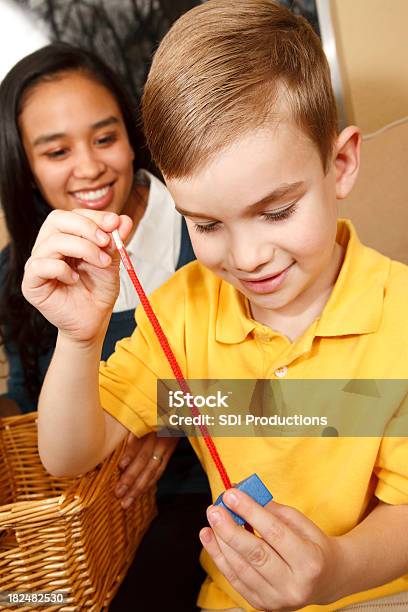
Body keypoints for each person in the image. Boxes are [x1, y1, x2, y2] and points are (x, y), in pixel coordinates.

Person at [21, 2, 408, 611]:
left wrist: (335, 569)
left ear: (340, 163)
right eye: (206, 224)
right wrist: (77, 338)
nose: (249, 257)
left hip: (373, 592)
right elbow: (68, 455)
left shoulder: (400, 317)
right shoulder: (181, 313)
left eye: (276, 211)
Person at [0, 43, 210, 611]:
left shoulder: (206, 233)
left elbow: (290, 388)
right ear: (25, 164)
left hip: (197, 498)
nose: (89, 168)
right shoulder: (20, 268)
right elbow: (26, 396)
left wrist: (170, 416)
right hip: (80, 523)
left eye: (104, 137)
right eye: (56, 151)